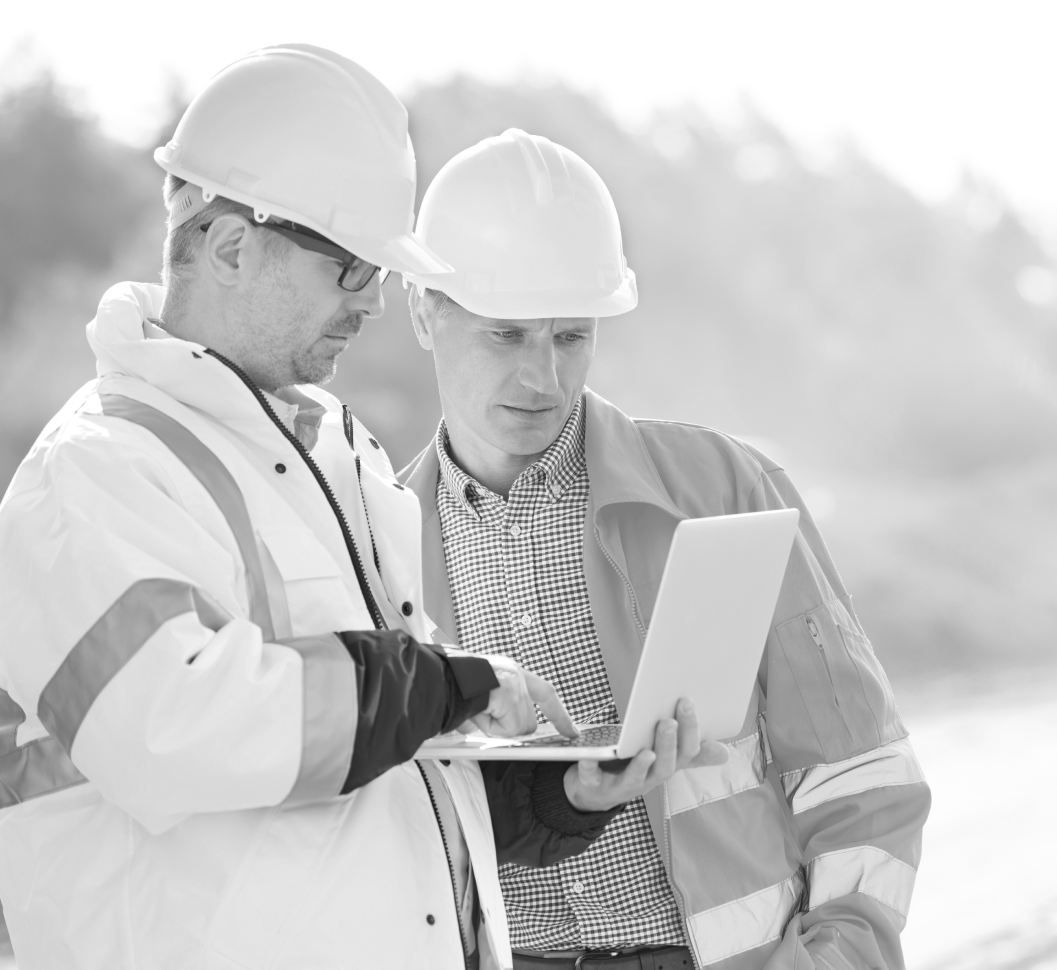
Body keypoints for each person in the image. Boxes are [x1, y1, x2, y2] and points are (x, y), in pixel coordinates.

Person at [0, 49, 718, 970]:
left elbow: (346, 795)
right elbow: (165, 732)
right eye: (352, 270)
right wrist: (434, 684)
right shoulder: (95, 476)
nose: (375, 303)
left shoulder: (332, 459)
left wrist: (547, 803)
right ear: (229, 247)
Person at [401, 129, 932, 970]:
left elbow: (859, 769)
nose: (542, 378)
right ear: (423, 310)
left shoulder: (719, 488)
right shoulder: (378, 545)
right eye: (506, 335)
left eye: (570, 336)